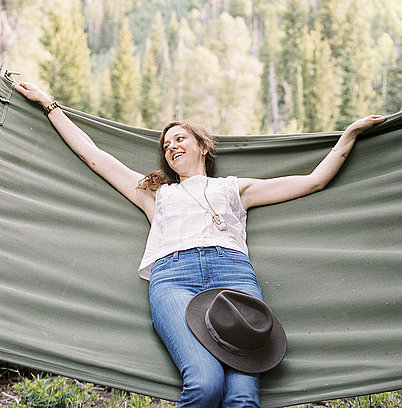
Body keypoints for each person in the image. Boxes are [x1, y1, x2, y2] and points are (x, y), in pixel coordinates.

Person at [15, 82, 386, 408]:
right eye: (166, 143)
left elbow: (314, 181)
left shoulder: (234, 188)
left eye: (180, 138)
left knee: (242, 397)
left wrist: (350, 134)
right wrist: (50, 106)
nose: (171, 145)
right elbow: (95, 156)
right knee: (205, 385)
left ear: (202, 146)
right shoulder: (156, 193)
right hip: (174, 279)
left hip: (233, 277)